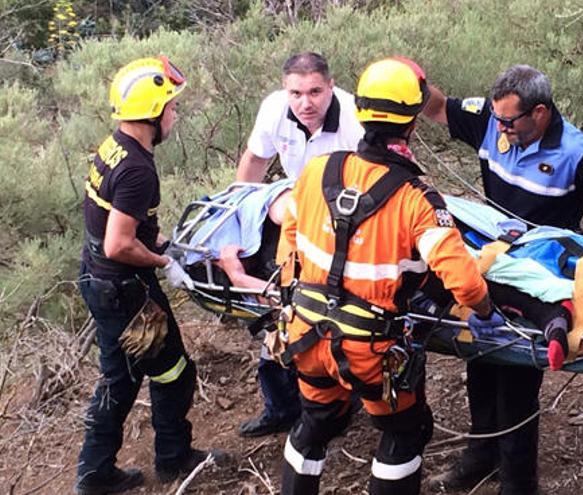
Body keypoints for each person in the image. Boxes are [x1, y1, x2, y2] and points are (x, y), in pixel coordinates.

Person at [275, 56, 499, 495]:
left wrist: (290, 299)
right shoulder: (417, 200)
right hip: (369, 349)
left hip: (304, 333)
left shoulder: (318, 170)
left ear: (359, 111)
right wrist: (486, 311)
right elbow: (467, 284)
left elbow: (290, 241)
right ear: (413, 123)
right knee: (404, 431)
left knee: (316, 421)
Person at [422, 64, 583, 495]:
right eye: (498, 119)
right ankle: (481, 457)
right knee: (479, 361)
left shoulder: (578, 151)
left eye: (509, 121)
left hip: (539, 280)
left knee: (517, 377)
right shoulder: (490, 118)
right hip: (489, 265)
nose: (500, 128)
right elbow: (439, 108)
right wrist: (413, 82)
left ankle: (519, 481)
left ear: (539, 112)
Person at [76, 56, 221, 494]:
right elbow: (119, 243)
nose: (175, 113)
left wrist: (158, 244)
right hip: (124, 289)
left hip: (100, 281)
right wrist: (164, 263)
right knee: (173, 370)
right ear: (154, 113)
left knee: (119, 377)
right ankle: (173, 458)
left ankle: (94, 470)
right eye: (171, 106)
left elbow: (116, 231)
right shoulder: (138, 168)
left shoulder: (114, 145)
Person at [235, 52, 365, 438]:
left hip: (346, 221)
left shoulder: (355, 122)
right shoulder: (275, 109)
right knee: (281, 308)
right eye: (296, 93)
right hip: (297, 218)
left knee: (337, 313)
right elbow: (254, 163)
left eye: (315, 92)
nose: (305, 103)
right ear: (284, 89)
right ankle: (281, 406)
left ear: (331, 86)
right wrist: (238, 215)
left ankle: (343, 399)